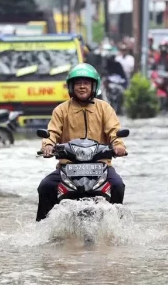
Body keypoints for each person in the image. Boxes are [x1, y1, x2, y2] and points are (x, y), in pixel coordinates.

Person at [36, 63, 127, 221]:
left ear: (94, 86)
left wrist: (118, 146)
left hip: (101, 166)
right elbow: (52, 132)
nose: (82, 87)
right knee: (45, 186)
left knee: (118, 185)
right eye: (78, 83)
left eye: (86, 83)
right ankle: (43, 228)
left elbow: (114, 131)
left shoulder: (105, 108)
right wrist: (48, 145)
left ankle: (116, 225)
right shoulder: (61, 110)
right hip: (68, 167)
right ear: (71, 86)